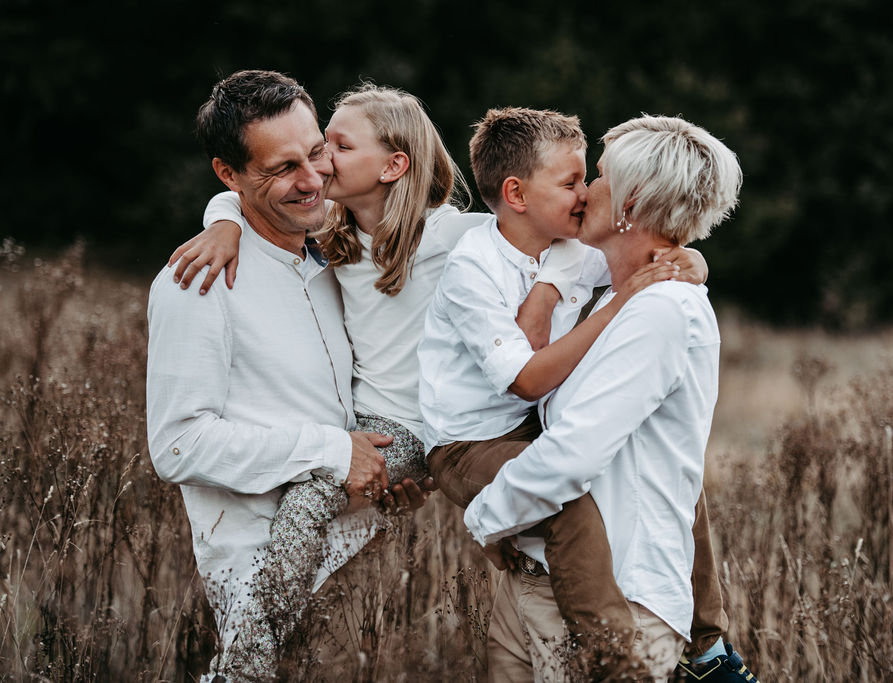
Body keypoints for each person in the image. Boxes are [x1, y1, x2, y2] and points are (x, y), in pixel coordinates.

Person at [165, 82, 599, 681]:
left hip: (424, 429)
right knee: (320, 497)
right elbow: (246, 199)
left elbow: (554, 232)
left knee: (314, 496)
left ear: (395, 164)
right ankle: (251, 658)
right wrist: (222, 220)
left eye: (331, 148)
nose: (319, 170)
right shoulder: (332, 237)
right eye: (312, 154)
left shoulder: (453, 237)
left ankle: (243, 666)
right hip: (367, 433)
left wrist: (551, 291)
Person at [462, 114, 751, 681]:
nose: (584, 189)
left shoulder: (666, 309)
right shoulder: (602, 299)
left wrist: (485, 518)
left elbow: (575, 451)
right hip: (534, 581)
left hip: (620, 596)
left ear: (633, 199)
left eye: (597, 176)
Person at [147, 70, 407, 681]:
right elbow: (178, 444)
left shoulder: (336, 263)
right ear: (228, 175)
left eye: (316, 152)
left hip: (359, 556)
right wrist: (331, 450)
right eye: (282, 168)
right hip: (262, 577)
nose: (313, 179)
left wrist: (383, 472)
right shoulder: (199, 283)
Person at [419, 106, 690, 677]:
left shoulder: (571, 248)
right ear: (516, 194)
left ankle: (708, 641)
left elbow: (657, 257)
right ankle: (616, 659)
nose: (585, 194)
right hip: (470, 444)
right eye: (570, 182)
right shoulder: (474, 268)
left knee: (675, 476)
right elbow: (527, 378)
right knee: (567, 506)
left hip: (530, 429)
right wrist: (619, 305)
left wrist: (688, 260)